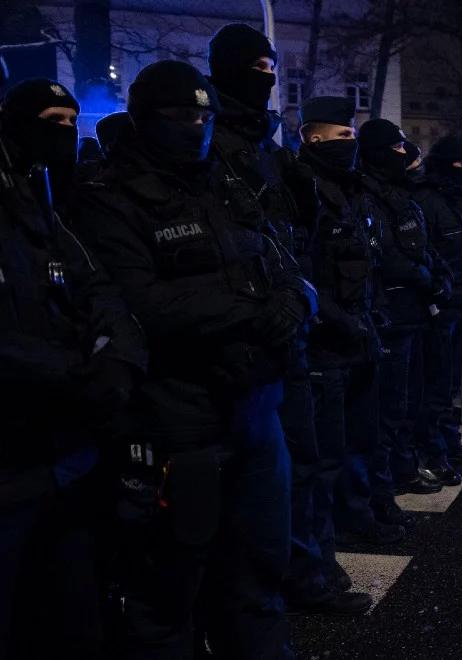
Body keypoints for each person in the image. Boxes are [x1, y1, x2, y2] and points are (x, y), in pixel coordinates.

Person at [77, 60, 309, 659]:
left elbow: (280, 260)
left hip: (254, 408)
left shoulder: (225, 184)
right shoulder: (110, 198)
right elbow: (143, 303)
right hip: (179, 422)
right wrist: (253, 310)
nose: (196, 127)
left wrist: (289, 298)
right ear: (144, 119)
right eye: (181, 116)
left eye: (205, 116)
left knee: (258, 570)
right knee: (170, 590)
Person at [206, 23, 372, 616]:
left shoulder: (267, 153)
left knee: (305, 465)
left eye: (273, 69)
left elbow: (289, 240)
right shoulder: (212, 145)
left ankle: (307, 573)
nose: (268, 78)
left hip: (292, 327)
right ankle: (277, 583)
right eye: (257, 68)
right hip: (246, 341)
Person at [0, 76, 146, 659]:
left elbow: (92, 283)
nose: (62, 134)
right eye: (50, 121)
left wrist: (117, 355)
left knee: (70, 606)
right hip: (14, 452)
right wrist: (72, 369)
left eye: (70, 122)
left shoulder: (33, 194)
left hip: (63, 445)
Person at [295, 96, 400, 555]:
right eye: (343, 136)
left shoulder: (351, 190)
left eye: (353, 136)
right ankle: (329, 538)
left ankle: (360, 513)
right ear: (313, 138)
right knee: (328, 451)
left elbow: (367, 262)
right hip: (326, 342)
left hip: (360, 334)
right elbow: (304, 271)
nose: (350, 143)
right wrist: (341, 322)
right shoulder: (303, 189)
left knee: (364, 435)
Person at [356, 118, 450, 512]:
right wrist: (424, 275)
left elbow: (419, 245)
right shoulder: (367, 196)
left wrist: (433, 272)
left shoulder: (399, 194)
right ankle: (388, 479)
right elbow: (388, 256)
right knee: (389, 406)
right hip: (391, 314)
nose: (404, 155)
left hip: (411, 312)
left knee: (407, 399)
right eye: (396, 149)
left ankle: (402, 466)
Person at [410, 135, 462, 487]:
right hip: (438, 311)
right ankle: (431, 454)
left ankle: (445, 445)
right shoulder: (428, 201)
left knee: (447, 384)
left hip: (456, 307)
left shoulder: (449, 201)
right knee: (434, 388)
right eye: (461, 163)